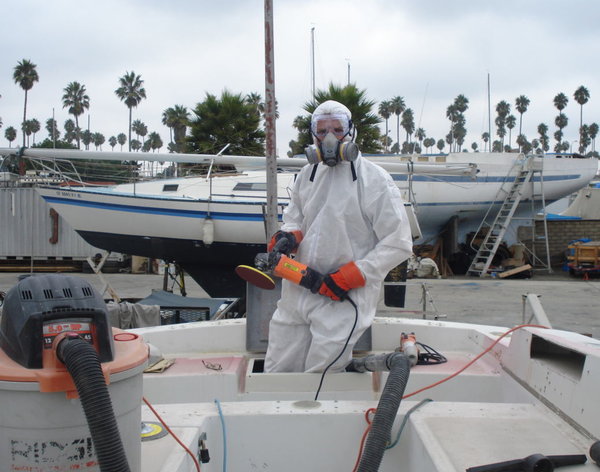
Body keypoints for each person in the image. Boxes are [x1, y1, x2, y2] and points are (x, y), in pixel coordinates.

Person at [264, 100, 413, 373]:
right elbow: (296, 217)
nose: (329, 137)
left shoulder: (375, 179)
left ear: (351, 132)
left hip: (343, 300)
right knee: (277, 370)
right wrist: (289, 236)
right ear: (313, 135)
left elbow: (398, 242)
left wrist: (355, 274)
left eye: (337, 129)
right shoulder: (307, 173)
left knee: (322, 377)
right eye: (322, 131)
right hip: (299, 289)